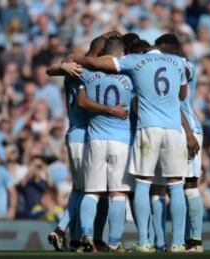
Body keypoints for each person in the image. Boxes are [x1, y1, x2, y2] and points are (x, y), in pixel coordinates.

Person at [72, 33, 189, 253]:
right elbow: (183, 94)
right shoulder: (179, 62)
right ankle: (178, 243)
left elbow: (95, 63)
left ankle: (143, 241)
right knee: (175, 186)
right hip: (173, 129)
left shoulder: (134, 63)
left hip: (145, 129)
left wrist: (77, 58)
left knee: (139, 185)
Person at [46, 32, 128, 252]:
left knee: (86, 190)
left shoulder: (75, 66)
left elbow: (51, 70)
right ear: (101, 53)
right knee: (86, 191)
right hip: (86, 136)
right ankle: (66, 231)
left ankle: (79, 238)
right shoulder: (86, 68)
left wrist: (62, 67)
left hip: (76, 133)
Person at [78, 36, 135, 253]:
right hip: (122, 141)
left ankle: (87, 236)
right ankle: (113, 242)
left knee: (91, 192)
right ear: (121, 55)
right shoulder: (130, 76)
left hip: (95, 139)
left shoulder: (88, 73)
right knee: (118, 194)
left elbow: (80, 101)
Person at [154, 34, 203, 252]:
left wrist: (189, 133)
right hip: (171, 129)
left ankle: (194, 241)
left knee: (189, 186)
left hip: (188, 128)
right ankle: (168, 241)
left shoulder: (185, 65)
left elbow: (179, 92)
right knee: (166, 187)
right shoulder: (165, 66)